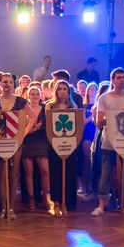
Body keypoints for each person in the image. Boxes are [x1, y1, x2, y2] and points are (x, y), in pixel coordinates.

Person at [92, 68, 124, 216]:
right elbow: (99, 122)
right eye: (118, 77)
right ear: (112, 80)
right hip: (108, 140)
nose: (121, 80)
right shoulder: (104, 98)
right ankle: (101, 205)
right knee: (105, 172)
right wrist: (116, 117)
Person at [0, 73, 28, 219]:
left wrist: (23, 133)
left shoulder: (21, 101)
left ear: (13, 84)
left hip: (16, 142)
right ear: (0, 84)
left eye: (10, 82)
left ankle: (11, 208)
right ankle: (3, 207)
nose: (7, 84)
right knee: (1, 173)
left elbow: (32, 117)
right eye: (4, 82)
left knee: (13, 174)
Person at [46, 80, 80, 215]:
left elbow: (77, 127)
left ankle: (66, 202)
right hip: (54, 144)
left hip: (70, 145)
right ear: (56, 91)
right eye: (59, 89)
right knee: (55, 173)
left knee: (69, 173)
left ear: (68, 91)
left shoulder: (73, 107)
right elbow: (49, 127)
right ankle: (56, 203)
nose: (62, 91)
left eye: (64, 89)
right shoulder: (50, 106)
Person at [22, 85, 52, 213]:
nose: (34, 96)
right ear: (28, 96)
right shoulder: (23, 109)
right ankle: (31, 199)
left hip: (41, 142)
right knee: (29, 172)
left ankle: (44, 198)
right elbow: (21, 127)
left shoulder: (45, 108)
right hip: (27, 142)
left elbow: (47, 125)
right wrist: (33, 129)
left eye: (36, 93)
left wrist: (37, 128)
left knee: (45, 171)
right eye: (32, 94)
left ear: (41, 95)